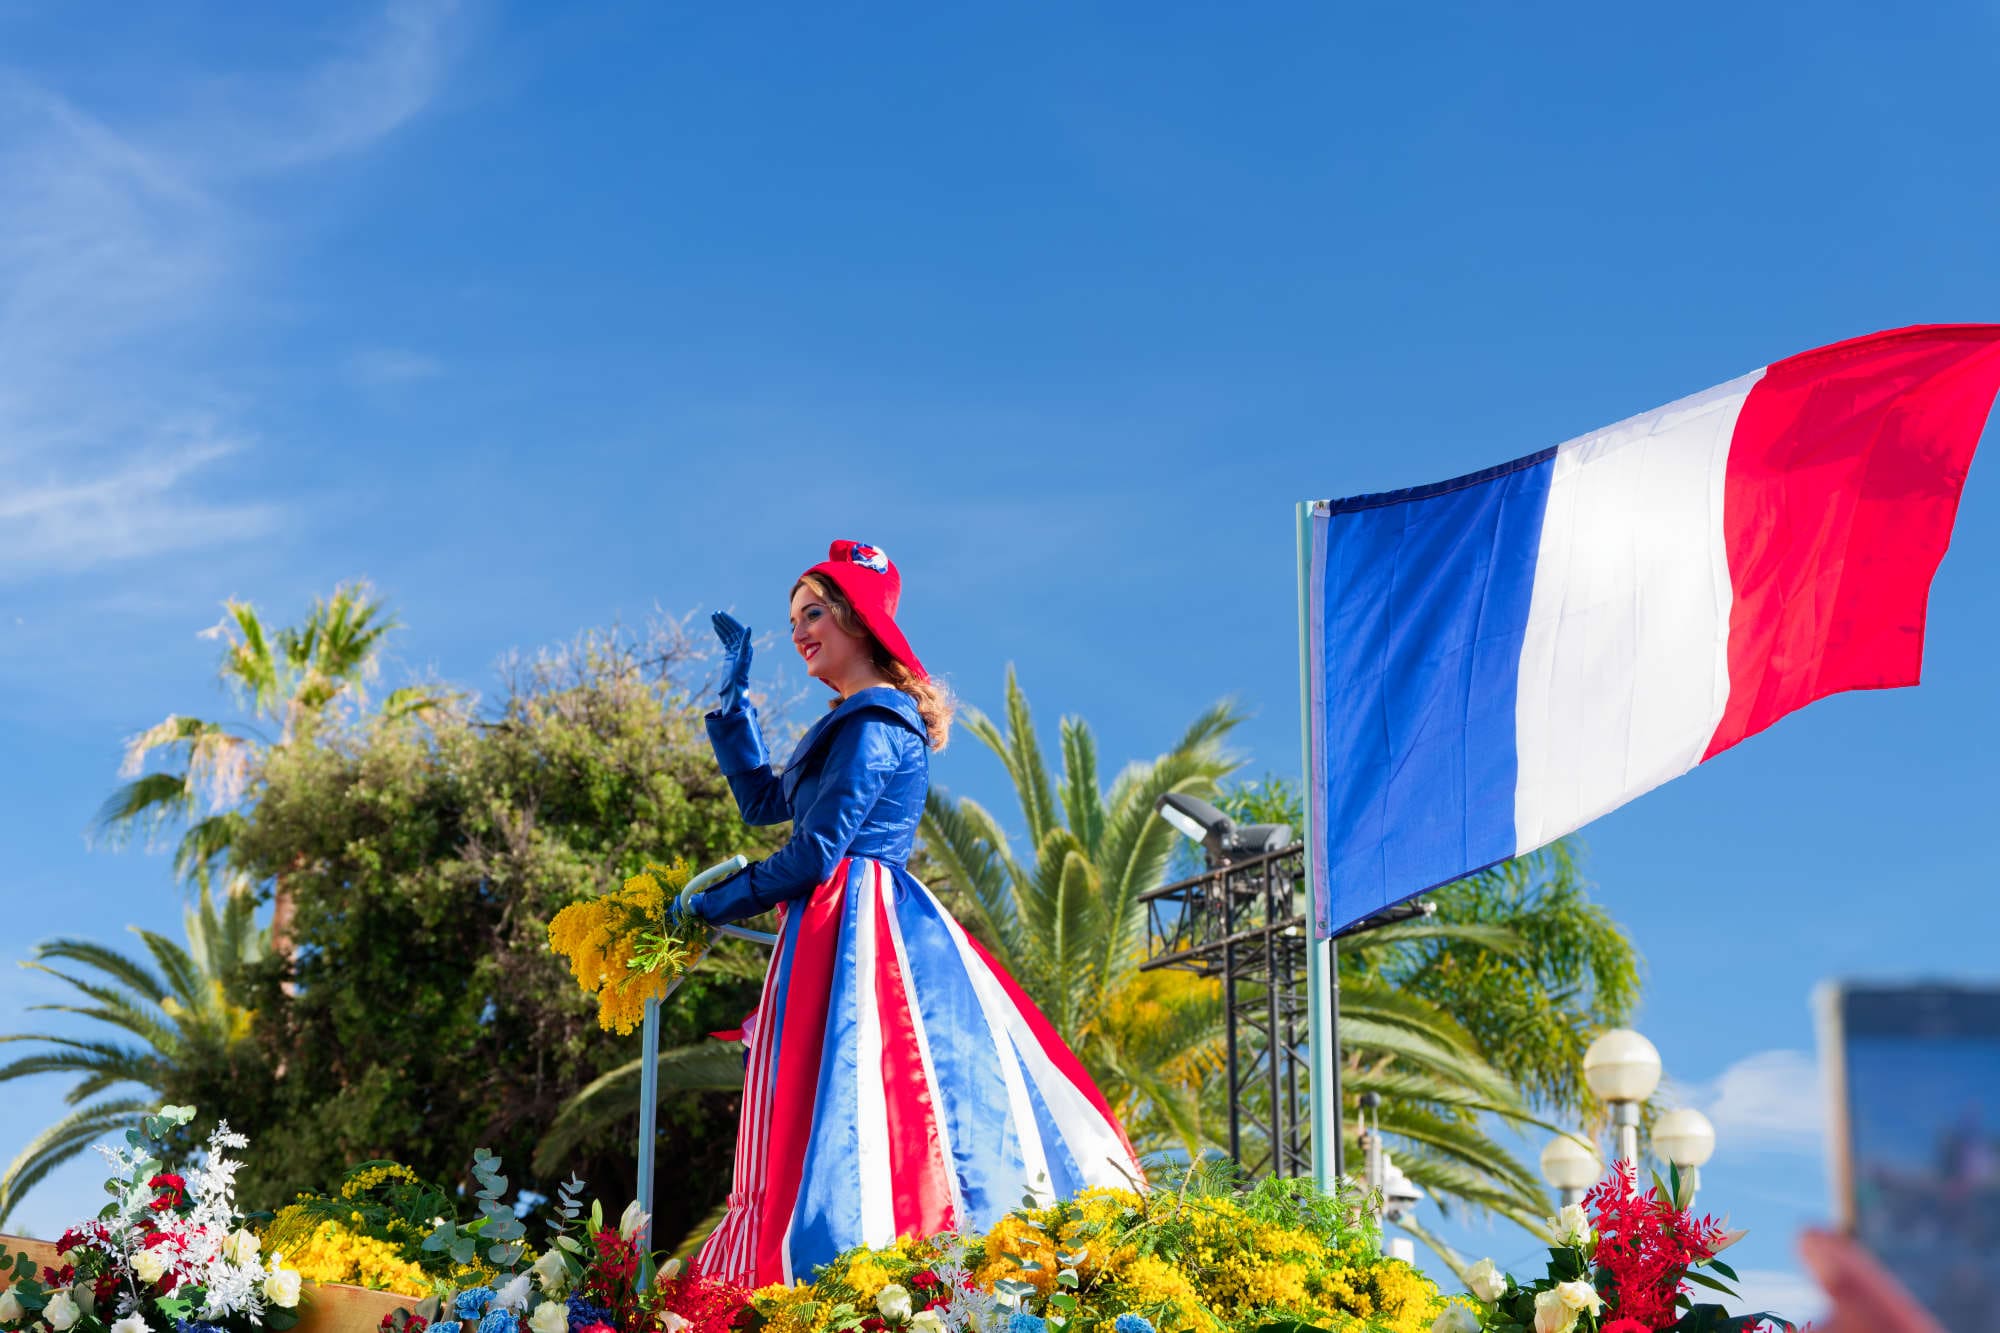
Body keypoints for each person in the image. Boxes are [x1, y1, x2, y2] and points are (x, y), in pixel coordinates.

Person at [678, 540, 1142, 1288]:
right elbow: (768, 802)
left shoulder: (877, 722)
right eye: (793, 617)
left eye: (813, 612)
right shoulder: (848, 722)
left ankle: (857, 1263)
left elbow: (815, 851)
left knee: (864, 1084)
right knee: (822, 1087)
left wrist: (713, 903)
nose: (798, 631)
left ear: (859, 620)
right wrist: (733, 709)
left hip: (862, 924)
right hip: (827, 924)